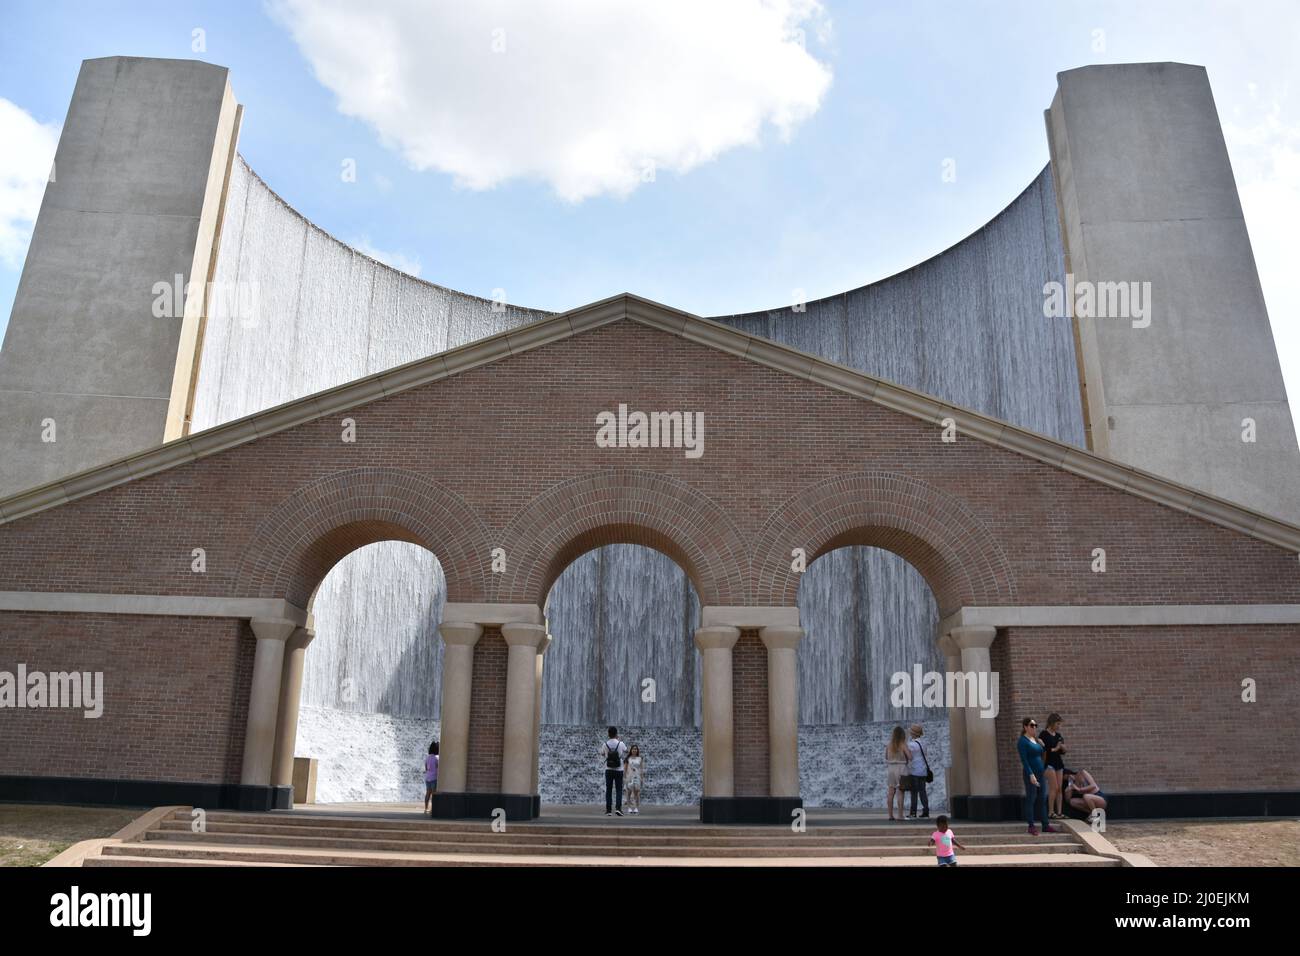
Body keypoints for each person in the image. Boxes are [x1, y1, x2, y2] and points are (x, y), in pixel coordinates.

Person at [1017, 717, 1057, 835]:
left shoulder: (1036, 740)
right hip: (1031, 775)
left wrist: (1042, 745)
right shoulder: (1022, 741)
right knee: (1031, 798)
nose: (1034, 727)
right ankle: (1031, 826)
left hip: (1040, 774)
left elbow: (1042, 755)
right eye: (1031, 725)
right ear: (1025, 727)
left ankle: (1045, 825)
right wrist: (1031, 775)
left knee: (1042, 799)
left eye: (1035, 725)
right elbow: (1024, 760)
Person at [1040, 713, 1067, 819]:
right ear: (1051, 723)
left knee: (1060, 788)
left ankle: (1059, 812)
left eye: (1060, 724)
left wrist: (1063, 748)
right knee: (1054, 787)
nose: (1059, 726)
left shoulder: (1058, 736)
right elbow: (1044, 750)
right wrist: (1056, 748)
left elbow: (1063, 751)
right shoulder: (1044, 734)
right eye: (1057, 724)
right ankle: (1050, 812)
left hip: (1058, 763)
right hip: (1048, 763)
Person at [598, 726, 629, 816]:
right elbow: (626, 751)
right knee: (619, 789)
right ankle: (618, 809)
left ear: (608, 734)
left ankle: (608, 810)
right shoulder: (621, 743)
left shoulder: (605, 744)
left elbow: (602, 754)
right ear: (616, 734)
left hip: (608, 769)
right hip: (619, 769)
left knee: (609, 789)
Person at [906, 724, 931, 818]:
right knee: (923, 792)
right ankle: (926, 811)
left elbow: (907, 755)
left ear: (912, 733)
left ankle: (913, 813)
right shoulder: (924, 744)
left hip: (914, 771)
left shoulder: (911, 745)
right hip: (923, 770)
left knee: (914, 793)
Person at [885, 726, 910, 821]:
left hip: (891, 769)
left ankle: (890, 815)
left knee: (891, 792)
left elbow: (886, 757)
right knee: (900, 792)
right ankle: (900, 815)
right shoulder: (903, 744)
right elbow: (910, 756)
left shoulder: (889, 745)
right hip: (901, 769)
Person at [624, 743, 644, 814]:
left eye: (635, 749)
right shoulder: (627, 759)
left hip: (637, 777)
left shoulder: (640, 758)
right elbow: (625, 769)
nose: (634, 750)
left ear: (637, 750)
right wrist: (625, 778)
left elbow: (641, 769)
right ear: (631, 750)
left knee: (637, 793)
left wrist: (642, 778)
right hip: (629, 777)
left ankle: (636, 808)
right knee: (628, 793)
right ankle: (629, 808)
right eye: (633, 749)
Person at [423, 739, 439, 814]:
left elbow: (426, 768)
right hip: (434, 778)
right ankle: (433, 810)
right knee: (434, 794)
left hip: (427, 778)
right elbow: (438, 767)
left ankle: (426, 808)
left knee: (428, 793)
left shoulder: (427, 757)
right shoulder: (437, 758)